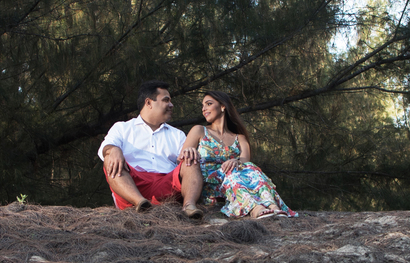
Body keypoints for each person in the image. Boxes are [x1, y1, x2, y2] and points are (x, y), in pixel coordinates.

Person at [181, 90, 297, 219]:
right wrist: (189, 151)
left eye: (208, 104)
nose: (204, 109)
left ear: (223, 106)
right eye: (202, 106)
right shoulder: (199, 130)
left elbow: (246, 162)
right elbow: (182, 159)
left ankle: (272, 206)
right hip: (210, 186)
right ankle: (255, 208)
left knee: (250, 168)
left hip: (236, 183)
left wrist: (236, 161)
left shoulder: (239, 138)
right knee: (232, 173)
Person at [98, 81, 205, 219]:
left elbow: (184, 165)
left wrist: (189, 153)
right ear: (148, 103)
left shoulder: (177, 134)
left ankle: (189, 206)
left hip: (167, 186)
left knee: (191, 161)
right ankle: (140, 203)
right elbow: (105, 148)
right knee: (110, 157)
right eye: (166, 100)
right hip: (132, 185)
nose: (171, 105)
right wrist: (113, 150)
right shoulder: (122, 128)